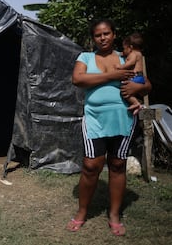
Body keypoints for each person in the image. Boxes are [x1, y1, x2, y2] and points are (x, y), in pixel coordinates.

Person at [66, 19, 152, 236]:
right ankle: (82, 212)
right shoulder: (85, 57)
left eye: (106, 33)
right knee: (91, 166)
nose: (102, 38)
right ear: (93, 38)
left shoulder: (127, 56)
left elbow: (146, 84)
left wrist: (138, 86)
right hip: (94, 118)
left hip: (123, 118)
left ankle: (114, 215)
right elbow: (77, 79)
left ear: (114, 34)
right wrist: (112, 76)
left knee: (117, 164)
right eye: (98, 35)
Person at [116, 32, 145, 115]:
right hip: (139, 77)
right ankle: (138, 104)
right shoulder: (138, 53)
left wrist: (120, 67)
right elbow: (124, 54)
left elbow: (130, 63)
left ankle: (136, 103)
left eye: (124, 48)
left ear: (131, 47)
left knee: (124, 90)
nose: (123, 51)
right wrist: (121, 54)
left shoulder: (133, 54)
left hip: (135, 77)